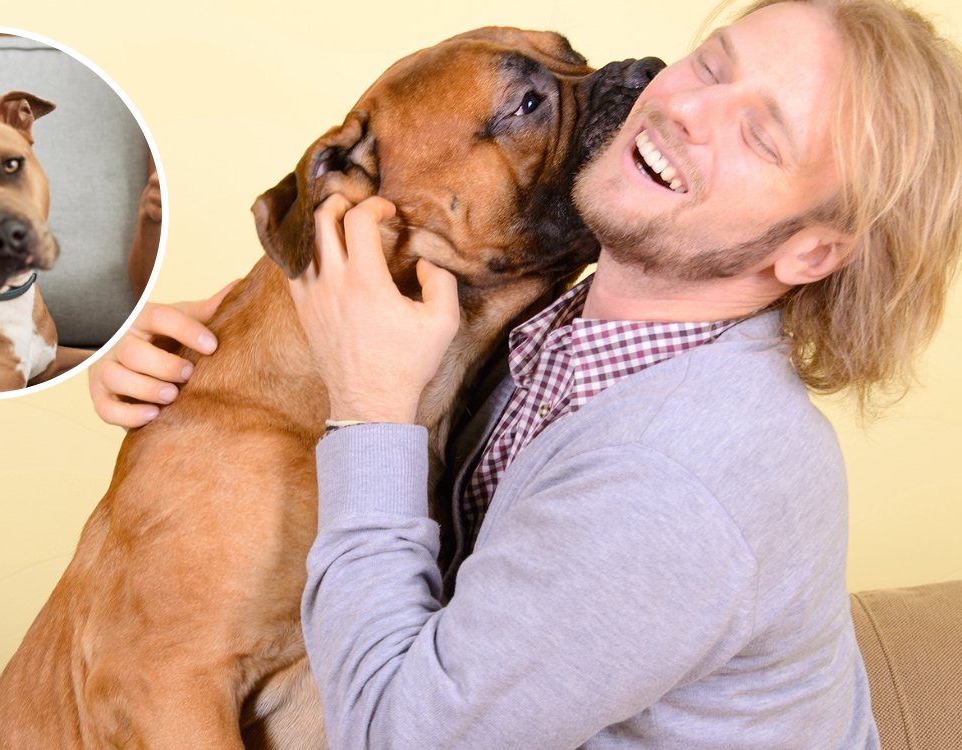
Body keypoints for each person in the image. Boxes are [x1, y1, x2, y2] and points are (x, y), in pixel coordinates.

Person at [91, 0, 962, 746]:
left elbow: (402, 736)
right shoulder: (556, 332)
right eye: (711, 62)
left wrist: (369, 412)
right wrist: (187, 389)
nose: (687, 105)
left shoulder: (680, 476)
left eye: (761, 135)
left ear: (812, 249)